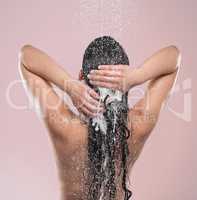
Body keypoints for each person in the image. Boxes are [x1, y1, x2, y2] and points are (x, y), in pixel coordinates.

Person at [18, 36, 181, 200]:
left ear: (82, 75)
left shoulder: (65, 127)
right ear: (124, 80)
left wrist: (69, 85)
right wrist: (138, 75)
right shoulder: (137, 125)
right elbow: (174, 57)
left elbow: (26, 57)